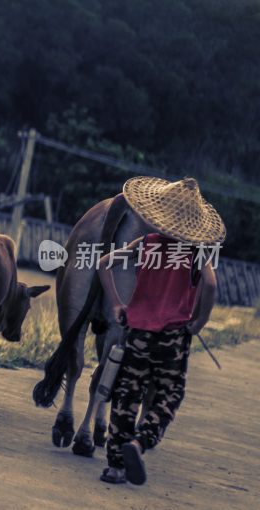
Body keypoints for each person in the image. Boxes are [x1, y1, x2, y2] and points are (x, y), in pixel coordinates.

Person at [97, 176, 224, 485]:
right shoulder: (194, 252)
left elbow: (104, 262)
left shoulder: (147, 244)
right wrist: (198, 322)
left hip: (138, 332)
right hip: (173, 338)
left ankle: (114, 467)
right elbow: (209, 284)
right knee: (169, 394)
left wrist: (116, 304)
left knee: (127, 394)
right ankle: (140, 442)